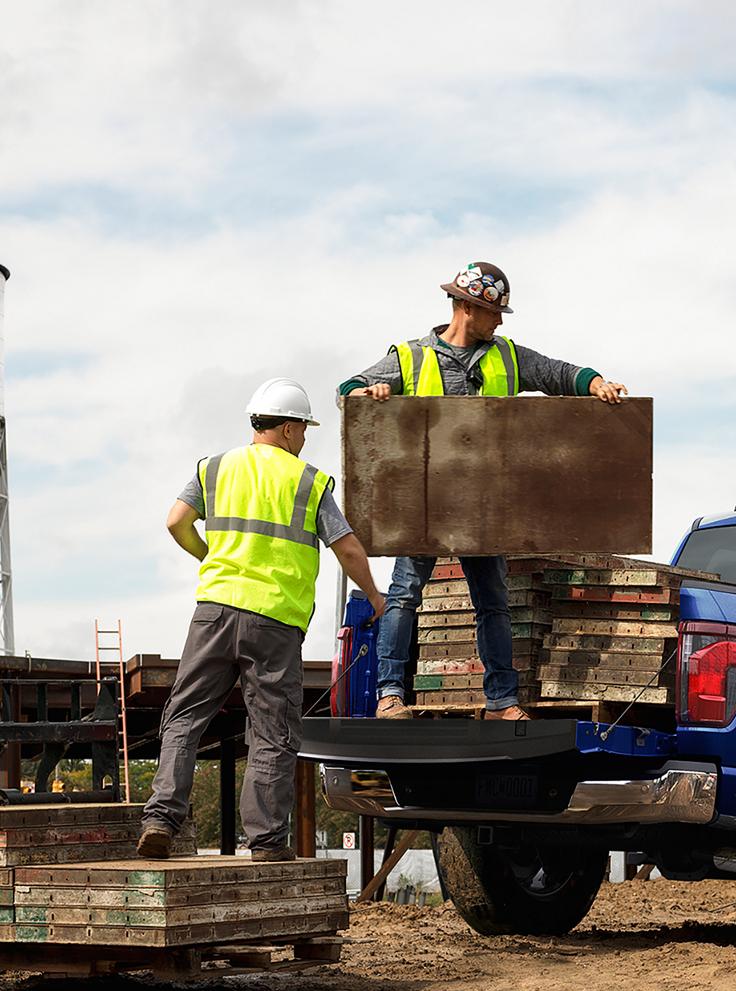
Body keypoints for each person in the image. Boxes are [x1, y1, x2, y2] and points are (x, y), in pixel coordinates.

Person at [340, 261, 628, 720]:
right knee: (404, 595)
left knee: (492, 601)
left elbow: (557, 373)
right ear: (469, 308)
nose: (500, 321)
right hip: (426, 501)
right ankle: (390, 694)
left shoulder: (509, 357)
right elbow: (350, 387)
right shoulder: (410, 357)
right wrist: (364, 394)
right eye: (495, 312)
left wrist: (596, 383)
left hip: (484, 504)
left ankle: (502, 700)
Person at [137, 379, 386, 861]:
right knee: (272, 731)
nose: (305, 439)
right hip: (274, 620)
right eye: (305, 430)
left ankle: (161, 819)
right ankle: (267, 842)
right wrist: (376, 599)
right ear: (290, 428)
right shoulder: (307, 481)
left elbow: (175, 521)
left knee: (185, 716)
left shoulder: (215, 468)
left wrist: (211, 557)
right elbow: (348, 547)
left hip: (213, 611)